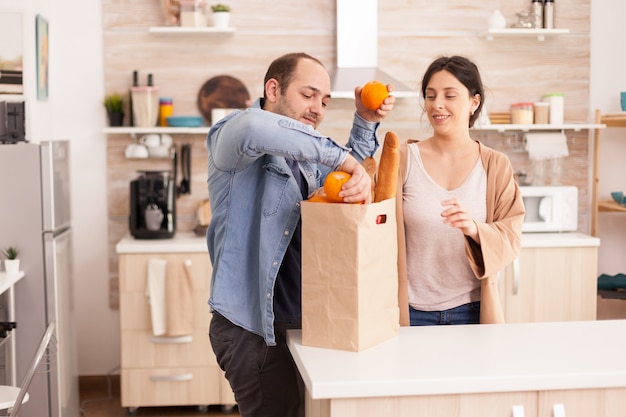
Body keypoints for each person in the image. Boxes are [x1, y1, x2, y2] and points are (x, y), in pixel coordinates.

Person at [205, 52, 395, 417]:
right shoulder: (231, 136)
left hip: (307, 319)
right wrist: (343, 161)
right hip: (253, 329)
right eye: (308, 95)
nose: (317, 109)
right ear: (272, 89)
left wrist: (365, 121)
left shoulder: (304, 157)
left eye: (324, 101)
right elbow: (254, 129)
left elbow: (334, 184)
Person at [396, 55, 525, 326]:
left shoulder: (495, 165)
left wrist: (476, 229)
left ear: (473, 102)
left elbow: (511, 237)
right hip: (411, 311)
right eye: (430, 96)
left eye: (449, 95)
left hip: (473, 309)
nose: (437, 105)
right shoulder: (404, 159)